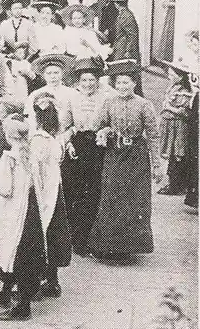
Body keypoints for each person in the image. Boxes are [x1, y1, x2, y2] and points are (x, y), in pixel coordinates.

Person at [0, 115, 57, 321]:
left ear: (8, 136)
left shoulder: (10, 158)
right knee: (23, 254)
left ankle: (22, 307)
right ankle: (7, 291)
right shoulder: (31, 155)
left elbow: (4, 188)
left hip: (14, 213)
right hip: (31, 212)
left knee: (15, 254)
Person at [89, 59, 161, 260]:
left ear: (134, 84)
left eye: (126, 83)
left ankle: (129, 247)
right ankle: (108, 246)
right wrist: (106, 129)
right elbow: (96, 125)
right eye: (118, 83)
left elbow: (153, 135)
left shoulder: (144, 104)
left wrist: (157, 165)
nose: (122, 87)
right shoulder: (109, 102)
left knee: (134, 199)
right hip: (114, 153)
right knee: (111, 196)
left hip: (136, 155)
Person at [61, 58, 111, 256]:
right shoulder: (71, 98)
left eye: (92, 80)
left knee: (94, 192)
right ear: (78, 82)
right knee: (74, 191)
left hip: (99, 146)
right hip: (78, 146)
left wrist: (106, 130)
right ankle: (75, 238)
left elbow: (110, 122)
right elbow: (64, 126)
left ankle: (89, 238)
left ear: (97, 80)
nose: (88, 84)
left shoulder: (107, 97)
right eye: (84, 81)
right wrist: (69, 143)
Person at [29, 93, 72, 300]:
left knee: (41, 234)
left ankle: (37, 282)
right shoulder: (56, 138)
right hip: (56, 190)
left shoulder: (39, 139)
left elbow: (35, 170)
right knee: (54, 234)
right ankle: (52, 281)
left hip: (44, 191)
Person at [158, 67, 193, 196]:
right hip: (170, 126)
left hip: (178, 127)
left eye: (172, 74)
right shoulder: (173, 88)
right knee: (172, 154)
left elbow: (185, 112)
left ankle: (176, 185)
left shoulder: (184, 92)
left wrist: (169, 108)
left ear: (180, 77)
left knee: (177, 153)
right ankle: (173, 183)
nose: (169, 75)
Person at [107, 0, 143, 96]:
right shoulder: (123, 14)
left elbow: (132, 36)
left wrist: (127, 52)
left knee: (126, 76)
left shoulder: (127, 16)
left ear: (116, 4)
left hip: (125, 52)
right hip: (121, 49)